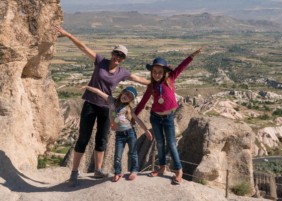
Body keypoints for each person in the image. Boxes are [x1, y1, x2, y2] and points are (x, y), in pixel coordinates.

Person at [55, 26, 150, 186]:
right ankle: (74, 172)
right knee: (83, 138)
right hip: (91, 105)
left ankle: (98, 169)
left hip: (107, 108)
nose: (118, 57)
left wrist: (162, 83)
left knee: (102, 139)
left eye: (121, 56)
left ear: (124, 59)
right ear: (112, 53)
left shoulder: (122, 73)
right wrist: (68, 34)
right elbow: (83, 48)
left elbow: (141, 79)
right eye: (116, 54)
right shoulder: (100, 61)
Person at [134, 48, 203, 184]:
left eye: (160, 72)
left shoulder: (171, 79)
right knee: (159, 143)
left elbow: (182, 66)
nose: (157, 74)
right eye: (154, 72)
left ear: (165, 72)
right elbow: (143, 102)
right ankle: (161, 168)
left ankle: (178, 171)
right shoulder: (151, 87)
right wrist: (134, 115)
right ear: (151, 72)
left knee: (171, 144)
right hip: (155, 117)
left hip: (168, 118)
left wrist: (192, 56)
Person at [82, 85, 153, 182]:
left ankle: (134, 171)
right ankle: (117, 172)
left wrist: (146, 130)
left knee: (133, 153)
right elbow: (99, 92)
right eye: (126, 94)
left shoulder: (128, 108)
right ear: (122, 92)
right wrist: (87, 87)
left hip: (130, 132)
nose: (126, 97)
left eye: (129, 97)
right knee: (118, 155)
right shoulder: (111, 101)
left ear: (130, 100)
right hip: (119, 135)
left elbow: (137, 119)